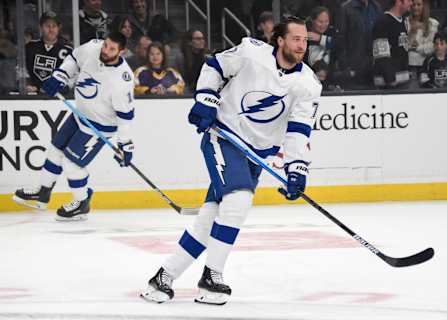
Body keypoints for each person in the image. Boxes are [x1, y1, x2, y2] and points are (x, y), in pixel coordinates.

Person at [140, 16, 322, 305]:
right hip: (224, 137)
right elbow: (214, 66)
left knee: (210, 218)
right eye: (296, 38)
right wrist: (206, 99)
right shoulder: (251, 52)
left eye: (305, 40)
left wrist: (297, 168)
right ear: (280, 40)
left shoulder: (308, 84)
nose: (302, 45)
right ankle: (212, 276)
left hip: (255, 156)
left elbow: (299, 129)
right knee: (238, 201)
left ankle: (163, 278)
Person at [13, 31, 135, 221]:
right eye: (106, 45)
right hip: (80, 114)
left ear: (122, 51)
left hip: (99, 126)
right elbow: (73, 59)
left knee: (72, 162)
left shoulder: (122, 80)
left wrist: (125, 143)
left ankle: (81, 202)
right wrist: (59, 76)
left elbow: (125, 115)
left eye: (112, 49)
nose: (105, 50)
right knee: (55, 149)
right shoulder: (93, 47)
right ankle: (42, 193)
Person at [336, 0, 383, 90]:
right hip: (353, 71)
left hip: (373, 70)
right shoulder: (346, 9)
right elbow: (340, 41)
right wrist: (346, 68)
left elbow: (380, 36)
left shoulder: (376, 8)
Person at [25, 11, 73, 94]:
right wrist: (27, 84)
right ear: (40, 27)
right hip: (32, 96)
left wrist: (61, 88)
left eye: (54, 26)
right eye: (47, 26)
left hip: (57, 97)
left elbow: (73, 77)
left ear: (59, 28)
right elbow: (21, 69)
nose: (51, 29)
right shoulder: (30, 47)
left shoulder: (68, 51)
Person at [372, 0, 412, 88]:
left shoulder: (404, 21)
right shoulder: (383, 22)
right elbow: (381, 55)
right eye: (409, 0)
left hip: (403, 79)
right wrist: (390, 79)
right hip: (388, 84)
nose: (411, 3)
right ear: (398, 2)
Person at [406, 0, 439, 86]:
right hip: (409, 65)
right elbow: (405, 46)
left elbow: (433, 47)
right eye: (413, 5)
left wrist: (417, 48)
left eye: (418, 5)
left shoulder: (433, 23)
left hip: (426, 64)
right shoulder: (405, 22)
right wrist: (412, 31)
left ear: (424, 6)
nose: (415, 7)